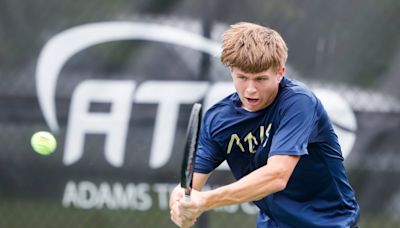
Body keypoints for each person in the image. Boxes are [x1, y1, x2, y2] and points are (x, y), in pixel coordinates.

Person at [169, 22, 360, 228]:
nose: (251, 89)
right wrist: (181, 207)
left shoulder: (299, 102)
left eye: (260, 79)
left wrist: (205, 200)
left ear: (280, 73)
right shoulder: (218, 119)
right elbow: (187, 187)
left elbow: (276, 177)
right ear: (231, 71)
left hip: (330, 224)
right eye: (242, 77)